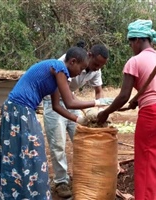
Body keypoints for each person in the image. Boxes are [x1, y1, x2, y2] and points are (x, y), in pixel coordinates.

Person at [0, 46, 110, 200]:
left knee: (20, 153)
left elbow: (57, 106)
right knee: (31, 153)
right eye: (81, 68)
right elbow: (70, 102)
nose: (81, 73)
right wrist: (96, 102)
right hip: (19, 110)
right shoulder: (59, 68)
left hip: (20, 110)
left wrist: (77, 119)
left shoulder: (56, 74)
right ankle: (27, 194)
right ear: (73, 61)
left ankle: (20, 194)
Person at [97, 19, 156, 200]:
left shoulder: (135, 61)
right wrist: (138, 99)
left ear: (138, 40)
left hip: (153, 116)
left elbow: (123, 96)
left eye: (131, 43)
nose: (131, 47)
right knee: (155, 163)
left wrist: (105, 112)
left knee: (145, 164)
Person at [43, 41, 113, 198]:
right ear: (89, 55)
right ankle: (61, 181)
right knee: (58, 143)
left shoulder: (96, 69)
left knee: (83, 138)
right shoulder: (65, 62)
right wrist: (91, 107)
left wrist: (99, 112)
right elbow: (64, 101)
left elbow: (98, 91)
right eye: (95, 64)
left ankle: (86, 174)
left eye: (100, 66)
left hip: (71, 100)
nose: (96, 68)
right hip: (54, 101)